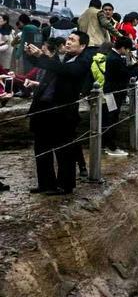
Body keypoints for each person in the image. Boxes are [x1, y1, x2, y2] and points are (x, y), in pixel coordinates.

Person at [25, 31, 91, 195]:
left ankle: (65, 185)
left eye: (72, 40)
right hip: (44, 108)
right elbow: (47, 65)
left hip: (63, 112)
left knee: (64, 151)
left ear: (82, 45)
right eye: (68, 39)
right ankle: (46, 184)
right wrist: (31, 55)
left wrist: (42, 56)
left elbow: (64, 70)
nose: (68, 42)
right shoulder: (64, 58)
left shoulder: (83, 61)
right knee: (41, 148)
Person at [103, 37, 138, 156]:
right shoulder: (115, 59)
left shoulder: (113, 56)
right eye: (127, 49)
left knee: (110, 117)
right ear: (122, 48)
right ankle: (111, 146)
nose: (128, 52)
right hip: (114, 93)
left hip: (110, 92)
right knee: (112, 118)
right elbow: (126, 74)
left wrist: (136, 65)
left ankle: (106, 144)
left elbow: (124, 70)